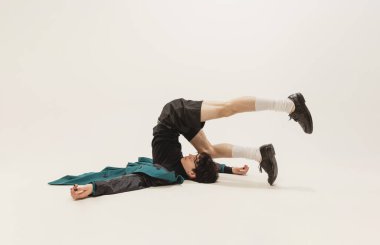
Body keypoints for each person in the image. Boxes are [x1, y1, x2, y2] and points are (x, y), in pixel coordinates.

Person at [70, 93, 313, 200]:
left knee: (226, 109)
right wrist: (228, 170)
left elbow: (131, 181)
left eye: (193, 160)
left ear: (191, 172)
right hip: (176, 121)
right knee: (209, 149)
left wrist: (94, 188)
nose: (191, 155)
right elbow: (208, 162)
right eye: (194, 159)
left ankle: (289, 105)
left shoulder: (165, 173)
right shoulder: (181, 169)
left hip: (173, 115)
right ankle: (259, 154)